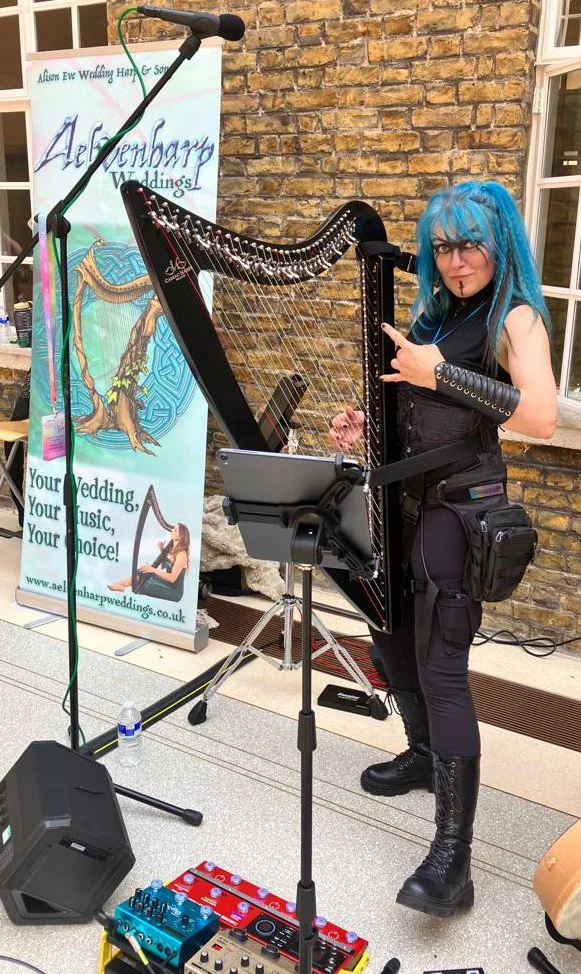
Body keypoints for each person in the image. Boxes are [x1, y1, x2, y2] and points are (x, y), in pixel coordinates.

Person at [330, 180, 557, 919]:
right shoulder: (436, 313)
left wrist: (441, 372)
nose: (455, 261)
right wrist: (366, 418)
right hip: (402, 499)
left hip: (461, 507)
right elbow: (419, 398)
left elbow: (541, 418)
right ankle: (424, 755)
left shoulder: (513, 317)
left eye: (468, 245)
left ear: (498, 244)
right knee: (387, 633)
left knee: (441, 669)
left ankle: (451, 862)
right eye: (441, 247)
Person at [108, 522, 190, 592]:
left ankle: (122, 585)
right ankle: (121, 584)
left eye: (175, 530)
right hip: (168, 583)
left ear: (180, 536)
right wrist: (161, 551)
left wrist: (153, 570)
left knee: (145, 573)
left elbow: (172, 578)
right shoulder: (173, 550)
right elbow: (164, 569)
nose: (172, 530)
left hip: (174, 590)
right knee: (143, 570)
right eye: (173, 528)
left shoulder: (181, 554)